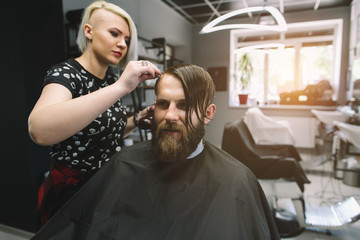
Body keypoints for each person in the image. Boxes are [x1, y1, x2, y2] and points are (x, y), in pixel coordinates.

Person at [31, 64, 280, 239]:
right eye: (163, 104)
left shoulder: (237, 180)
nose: (170, 115)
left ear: (208, 113)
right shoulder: (125, 163)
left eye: (184, 106)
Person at [27, 0, 162, 227]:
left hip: (105, 186)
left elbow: (102, 131)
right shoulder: (66, 74)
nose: (122, 44)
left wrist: (137, 119)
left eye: (127, 40)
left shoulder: (109, 79)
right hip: (71, 195)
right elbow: (39, 130)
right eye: (114, 34)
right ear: (89, 31)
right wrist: (120, 87)